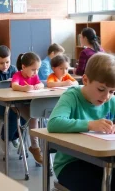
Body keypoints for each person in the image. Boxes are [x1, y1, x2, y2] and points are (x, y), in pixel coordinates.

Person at [48, 53, 115, 191]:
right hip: (71, 163)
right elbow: (53, 123)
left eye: (112, 91)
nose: (106, 96)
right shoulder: (72, 96)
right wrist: (90, 124)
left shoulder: (111, 101)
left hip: (102, 161)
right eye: (101, 89)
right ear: (85, 80)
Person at [11, 52, 44, 164]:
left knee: (39, 114)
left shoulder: (35, 76)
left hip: (32, 104)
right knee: (34, 116)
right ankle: (35, 146)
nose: (36, 72)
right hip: (18, 105)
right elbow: (14, 86)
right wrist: (23, 88)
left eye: (38, 69)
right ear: (23, 67)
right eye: (33, 69)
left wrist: (40, 85)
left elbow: (41, 84)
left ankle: (49, 145)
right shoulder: (17, 75)